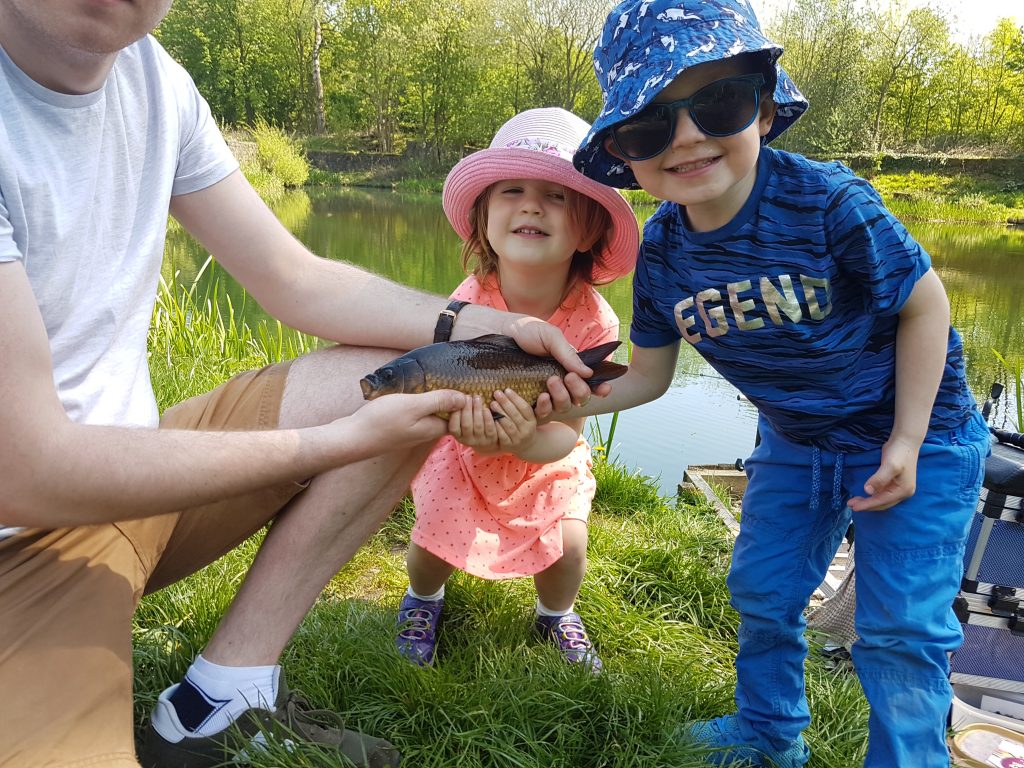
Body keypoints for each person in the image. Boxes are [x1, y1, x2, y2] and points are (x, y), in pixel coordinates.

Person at [0, 3, 604, 767]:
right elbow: (24, 472)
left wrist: (477, 332)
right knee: (388, 396)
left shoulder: (156, 80)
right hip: (18, 542)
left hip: (130, 470)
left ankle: (221, 699)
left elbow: (295, 278)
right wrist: (335, 443)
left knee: (395, 378)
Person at [556, 0, 991, 765]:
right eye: (650, 126)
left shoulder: (830, 203)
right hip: (797, 444)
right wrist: (561, 399)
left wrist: (909, 439)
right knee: (764, 592)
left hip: (923, 438)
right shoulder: (661, 251)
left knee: (899, 630)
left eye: (716, 104)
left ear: (762, 107)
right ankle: (766, 732)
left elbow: (927, 306)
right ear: (625, 153)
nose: (686, 138)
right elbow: (649, 377)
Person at [393, 108, 639, 674]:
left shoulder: (595, 322)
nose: (531, 204)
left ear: (590, 227)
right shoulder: (469, 300)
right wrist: (470, 431)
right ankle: (423, 600)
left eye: (557, 195)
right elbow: (439, 380)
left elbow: (569, 432)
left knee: (568, 545)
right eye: (513, 190)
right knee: (433, 538)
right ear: (483, 220)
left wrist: (526, 441)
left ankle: (556, 613)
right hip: (464, 446)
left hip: (545, 453)